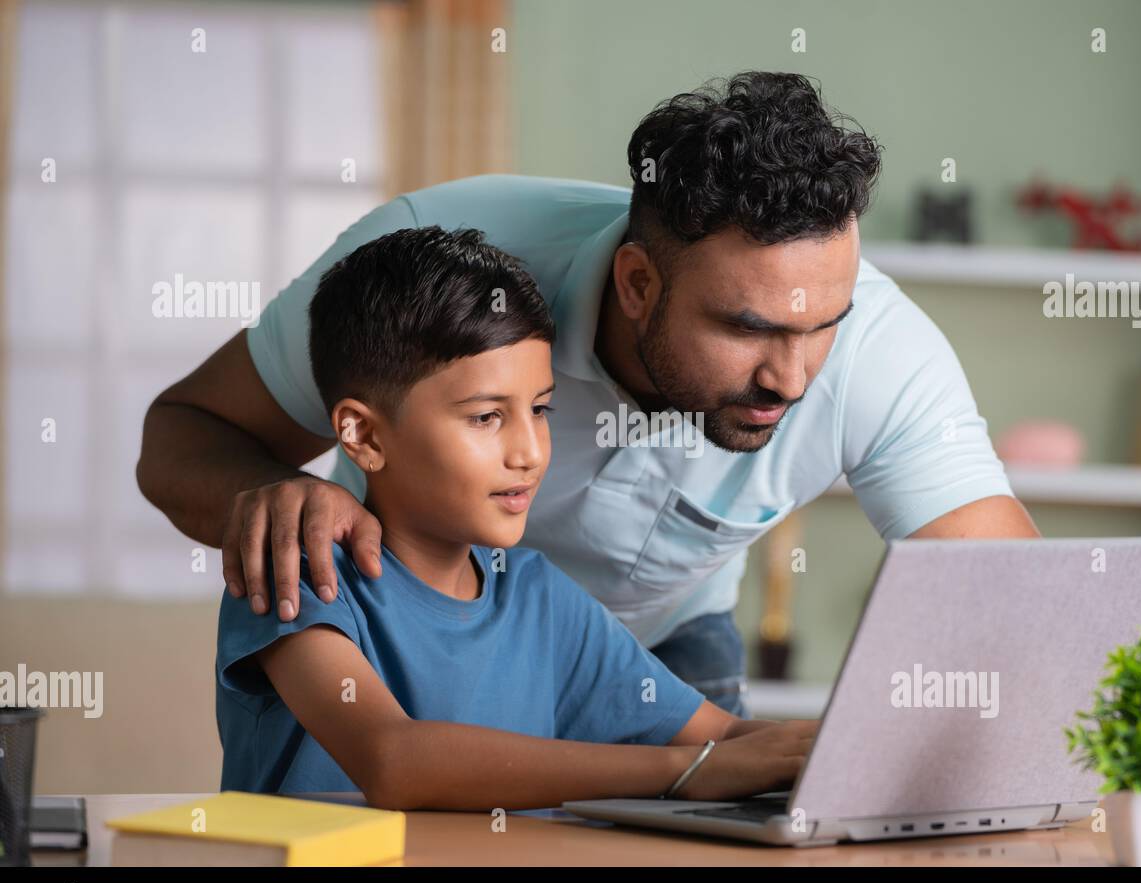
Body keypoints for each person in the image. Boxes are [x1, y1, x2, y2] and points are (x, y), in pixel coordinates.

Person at [141, 71, 1038, 721]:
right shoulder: (427, 265)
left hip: (662, 663)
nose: (792, 377)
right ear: (638, 284)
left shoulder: (882, 351)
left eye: (822, 325)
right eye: (747, 328)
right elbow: (182, 433)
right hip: (406, 637)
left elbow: (1009, 595)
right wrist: (279, 500)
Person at [217, 225, 814, 809]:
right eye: (485, 417)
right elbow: (393, 760)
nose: (528, 452)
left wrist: (843, 750)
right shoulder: (299, 570)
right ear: (364, 435)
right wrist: (683, 772)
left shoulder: (540, 599)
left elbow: (723, 738)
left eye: (539, 409)